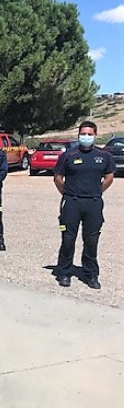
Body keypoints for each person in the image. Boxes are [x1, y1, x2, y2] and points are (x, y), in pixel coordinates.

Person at [53, 121, 114, 289]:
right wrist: (67, 193)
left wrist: (97, 191)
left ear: (95, 135)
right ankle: (64, 273)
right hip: (72, 202)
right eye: (83, 133)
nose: (86, 137)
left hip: (93, 203)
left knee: (91, 240)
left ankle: (91, 274)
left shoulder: (104, 156)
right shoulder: (68, 155)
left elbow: (109, 177)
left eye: (89, 134)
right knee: (68, 239)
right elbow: (58, 177)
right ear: (78, 135)